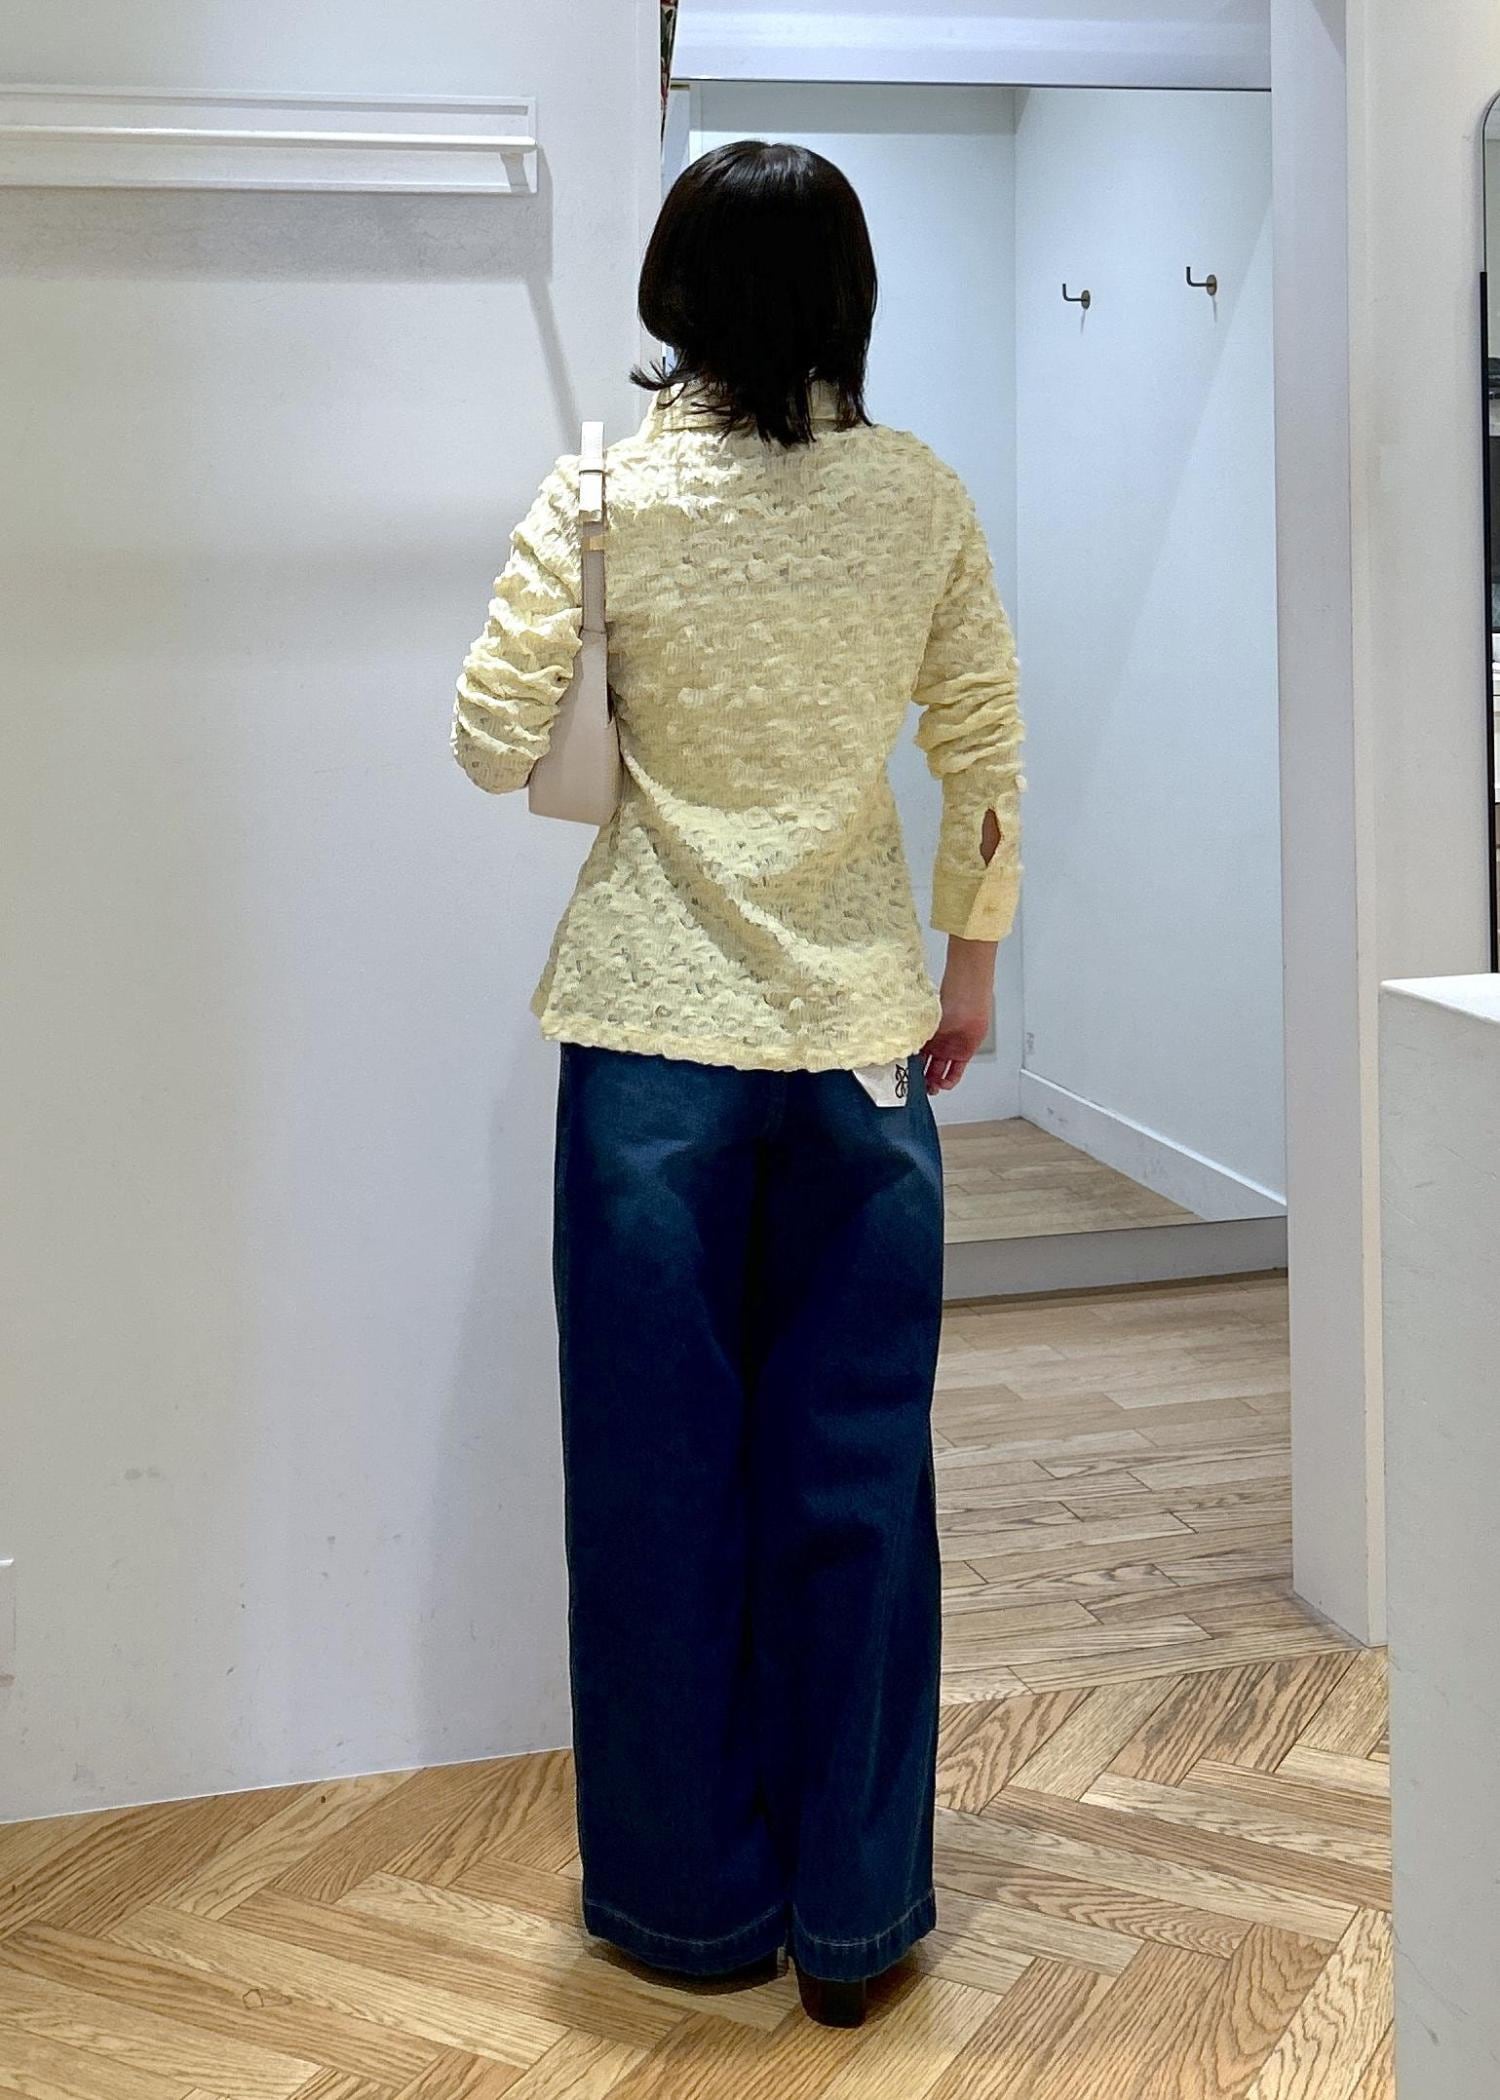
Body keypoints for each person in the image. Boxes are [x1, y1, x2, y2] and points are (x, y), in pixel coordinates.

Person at [451, 139, 1023, 2028]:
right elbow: (984, 744)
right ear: (853, 297)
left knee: (655, 1483)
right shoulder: (919, 496)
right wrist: (966, 973)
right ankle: (857, 1922)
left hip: (648, 1054)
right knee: (857, 1482)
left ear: (673, 294)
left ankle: (689, 1913)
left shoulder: (603, 495)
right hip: (862, 1049)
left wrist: (613, 653)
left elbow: (487, 741)